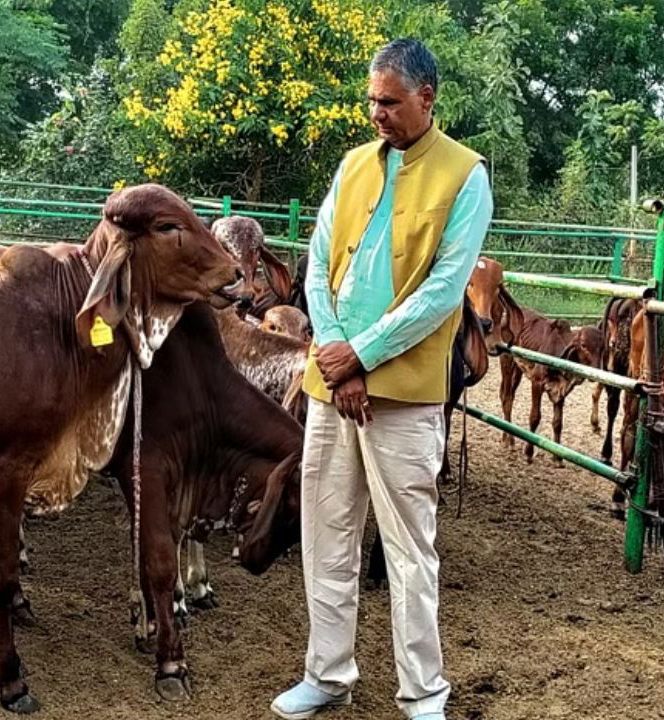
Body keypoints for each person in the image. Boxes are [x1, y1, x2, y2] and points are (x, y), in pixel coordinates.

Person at [270, 38, 493, 720]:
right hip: (330, 384)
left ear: (427, 98)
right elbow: (316, 266)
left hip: (402, 393)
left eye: (390, 102)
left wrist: (360, 357)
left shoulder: (465, 175)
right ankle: (326, 673)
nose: (376, 113)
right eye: (371, 100)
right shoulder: (351, 167)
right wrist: (335, 353)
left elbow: (443, 292)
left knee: (408, 547)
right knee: (326, 535)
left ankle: (423, 691)